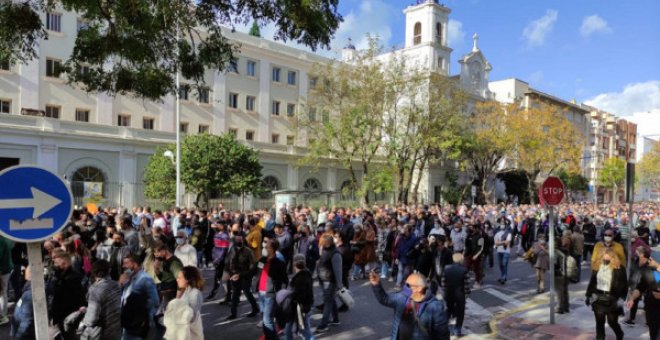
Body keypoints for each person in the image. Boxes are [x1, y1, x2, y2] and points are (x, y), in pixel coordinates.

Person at [369, 271, 450, 340]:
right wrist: (377, 285)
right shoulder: (402, 297)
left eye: (408, 285)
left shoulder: (435, 307)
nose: (405, 287)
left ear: (419, 288)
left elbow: (443, 334)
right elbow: (384, 299)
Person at [586, 248, 627, 340]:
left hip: (612, 298)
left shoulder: (619, 268)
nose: (606, 257)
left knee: (612, 322)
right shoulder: (597, 266)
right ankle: (600, 338)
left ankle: (619, 334)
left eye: (608, 255)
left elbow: (624, 285)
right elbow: (592, 281)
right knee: (599, 322)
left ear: (613, 257)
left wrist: (621, 299)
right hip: (598, 297)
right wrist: (588, 295)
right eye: (603, 255)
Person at [253, 238, 287, 339]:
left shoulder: (279, 263)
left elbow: (284, 279)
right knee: (264, 317)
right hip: (261, 292)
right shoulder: (262, 260)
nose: (264, 248)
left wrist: (280, 293)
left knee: (267, 320)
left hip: (270, 294)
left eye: (267, 247)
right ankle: (267, 336)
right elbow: (254, 271)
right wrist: (240, 275)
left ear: (272, 249)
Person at [79, 259, 122, 340]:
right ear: (109, 270)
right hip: (116, 330)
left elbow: (91, 319)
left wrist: (82, 324)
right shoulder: (116, 285)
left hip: (102, 333)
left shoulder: (95, 289)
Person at [120, 254, 160, 340]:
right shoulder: (129, 278)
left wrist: (140, 311)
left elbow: (155, 301)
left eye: (126, 263)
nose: (123, 266)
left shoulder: (145, 279)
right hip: (128, 322)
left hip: (138, 324)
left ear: (134, 264)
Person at [49, 248, 86, 339]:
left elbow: (78, 295)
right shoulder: (59, 274)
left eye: (56, 260)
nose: (54, 263)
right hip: (59, 314)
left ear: (64, 260)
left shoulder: (73, 276)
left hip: (68, 315)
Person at [626, 248, 660, 340]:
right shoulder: (648, 271)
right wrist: (632, 298)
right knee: (654, 334)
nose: (650, 261)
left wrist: (657, 266)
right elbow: (640, 287)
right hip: (651, 308)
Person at [164, 266, 204, 340]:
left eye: (180, 277)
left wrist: (174, 307)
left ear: (187, 280)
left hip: (191, 335)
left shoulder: (195, 294)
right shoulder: (186, 291)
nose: (177, 280)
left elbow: (191, 317)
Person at [226, 233, 260, 320]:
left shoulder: (248, 251)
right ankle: (233, 313)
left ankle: (255, 309)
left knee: (247, 293)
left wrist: (243, 274)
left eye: (240, 239)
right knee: (235, 295)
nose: (238, 241)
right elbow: (229, 262)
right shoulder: (232, 250)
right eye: (237, 239)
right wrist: (230, 274)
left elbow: (253, 265)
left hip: (245, 275)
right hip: (234, 276)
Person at [315, 235, 343, 334]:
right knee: (331, 300)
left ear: (329, 242)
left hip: (329, 281)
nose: (321, 244)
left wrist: (339, 285)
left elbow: (338, 270)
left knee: (327, 303)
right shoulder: (326, 250)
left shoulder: (335, 254)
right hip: (325, 279)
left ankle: (324, 324)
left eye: (323, 242)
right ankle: (335, 319)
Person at [285, 254, 316, 340]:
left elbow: (300, 295)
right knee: (302, 329)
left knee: (303, 330)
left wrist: (290, 296)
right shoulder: (307, 274)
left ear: (294, 264)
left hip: (299, 308)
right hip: (304, 307)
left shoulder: (300, 278)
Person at [442, 253, 470, 337]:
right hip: (460, 294)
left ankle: (443, 327)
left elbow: (443, 283)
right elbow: (466, 285)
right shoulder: (464, 270)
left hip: (448, 293)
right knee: (460, 312)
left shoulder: (446, 268)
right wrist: (467, 294)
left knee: (449, 310)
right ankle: (457, 330)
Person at [11, 266, 34, 340]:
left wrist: (17, 337)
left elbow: (26, 320)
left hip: (24, 335)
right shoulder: (27, 290)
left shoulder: (29, 294)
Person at [0, 235, 13, 326]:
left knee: (1, 293)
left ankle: (2, 316)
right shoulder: (6, 237)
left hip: (2, 270)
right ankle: (3, 314)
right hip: (7, 268)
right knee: (3, 292)